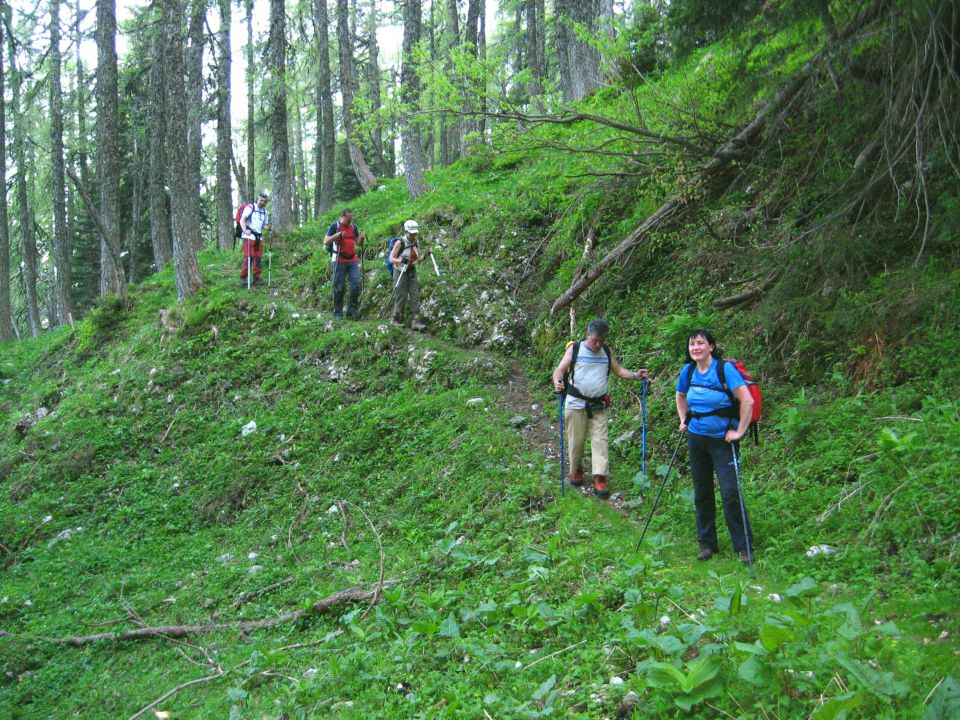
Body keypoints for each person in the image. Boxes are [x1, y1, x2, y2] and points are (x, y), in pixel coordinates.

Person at [675, 329, 754, 564]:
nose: (696, 348)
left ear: (711, 346)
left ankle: (744, 545)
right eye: (692, 344)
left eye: (700, 343)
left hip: (722, 440)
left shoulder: (724, 370)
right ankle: (707, 544)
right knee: (702, 492)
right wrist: (683, 420)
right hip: (696, 439)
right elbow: (680, 396)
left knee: (730, 492)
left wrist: (739, 431)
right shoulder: (688, 371)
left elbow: (747, 400)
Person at [551, 319, 648, 499]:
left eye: (601, 340)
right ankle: (576, 469)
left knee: (600, 441)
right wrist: (557, 380)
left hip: (599, 405)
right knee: (576, 440)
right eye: (595, 340)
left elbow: (618, 370)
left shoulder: (606, 351)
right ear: (588, 335)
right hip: (575, 403)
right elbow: (560, 369)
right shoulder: (576, 349)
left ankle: (600, 477)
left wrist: (636, 375)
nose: (598, 344)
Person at [324, 208, 367, 320]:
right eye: (348, 220)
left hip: (352, 259)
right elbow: (326, 241)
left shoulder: (353, 227)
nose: (350, 222)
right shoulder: (335, 226)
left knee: (356, 282)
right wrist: (337, 236)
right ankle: (338, 312)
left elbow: (358, 244)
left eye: (351, 219)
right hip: (339, 259)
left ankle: (351, 310)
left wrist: (361, 238)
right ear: (342, 217)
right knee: (339, 286)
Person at [389, 220, 426, 331]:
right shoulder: (400, 243)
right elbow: (391, 259)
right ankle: (395, 319)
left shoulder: (416, 242)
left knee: (415, 294)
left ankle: (416, 321)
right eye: (411, 233)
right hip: (400, 271)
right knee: (401, 295)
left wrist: (426, 255)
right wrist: (400, 260)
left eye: (414, 233)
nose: (413, 235)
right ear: (406, 231)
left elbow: (418, 259)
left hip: (411, 270)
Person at [239, 191, 270, 286]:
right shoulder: (250, 207)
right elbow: (242, 220)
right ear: (258, 199)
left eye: (265, 201)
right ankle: (243, 277)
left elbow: (264, 225)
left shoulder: (265, 212)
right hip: (249, 236)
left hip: (258, 237)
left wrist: (268, 228)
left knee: (258, 258)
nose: (262, 202)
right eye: (261, 200)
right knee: (249, 257)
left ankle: (257, 278)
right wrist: (245, 230)